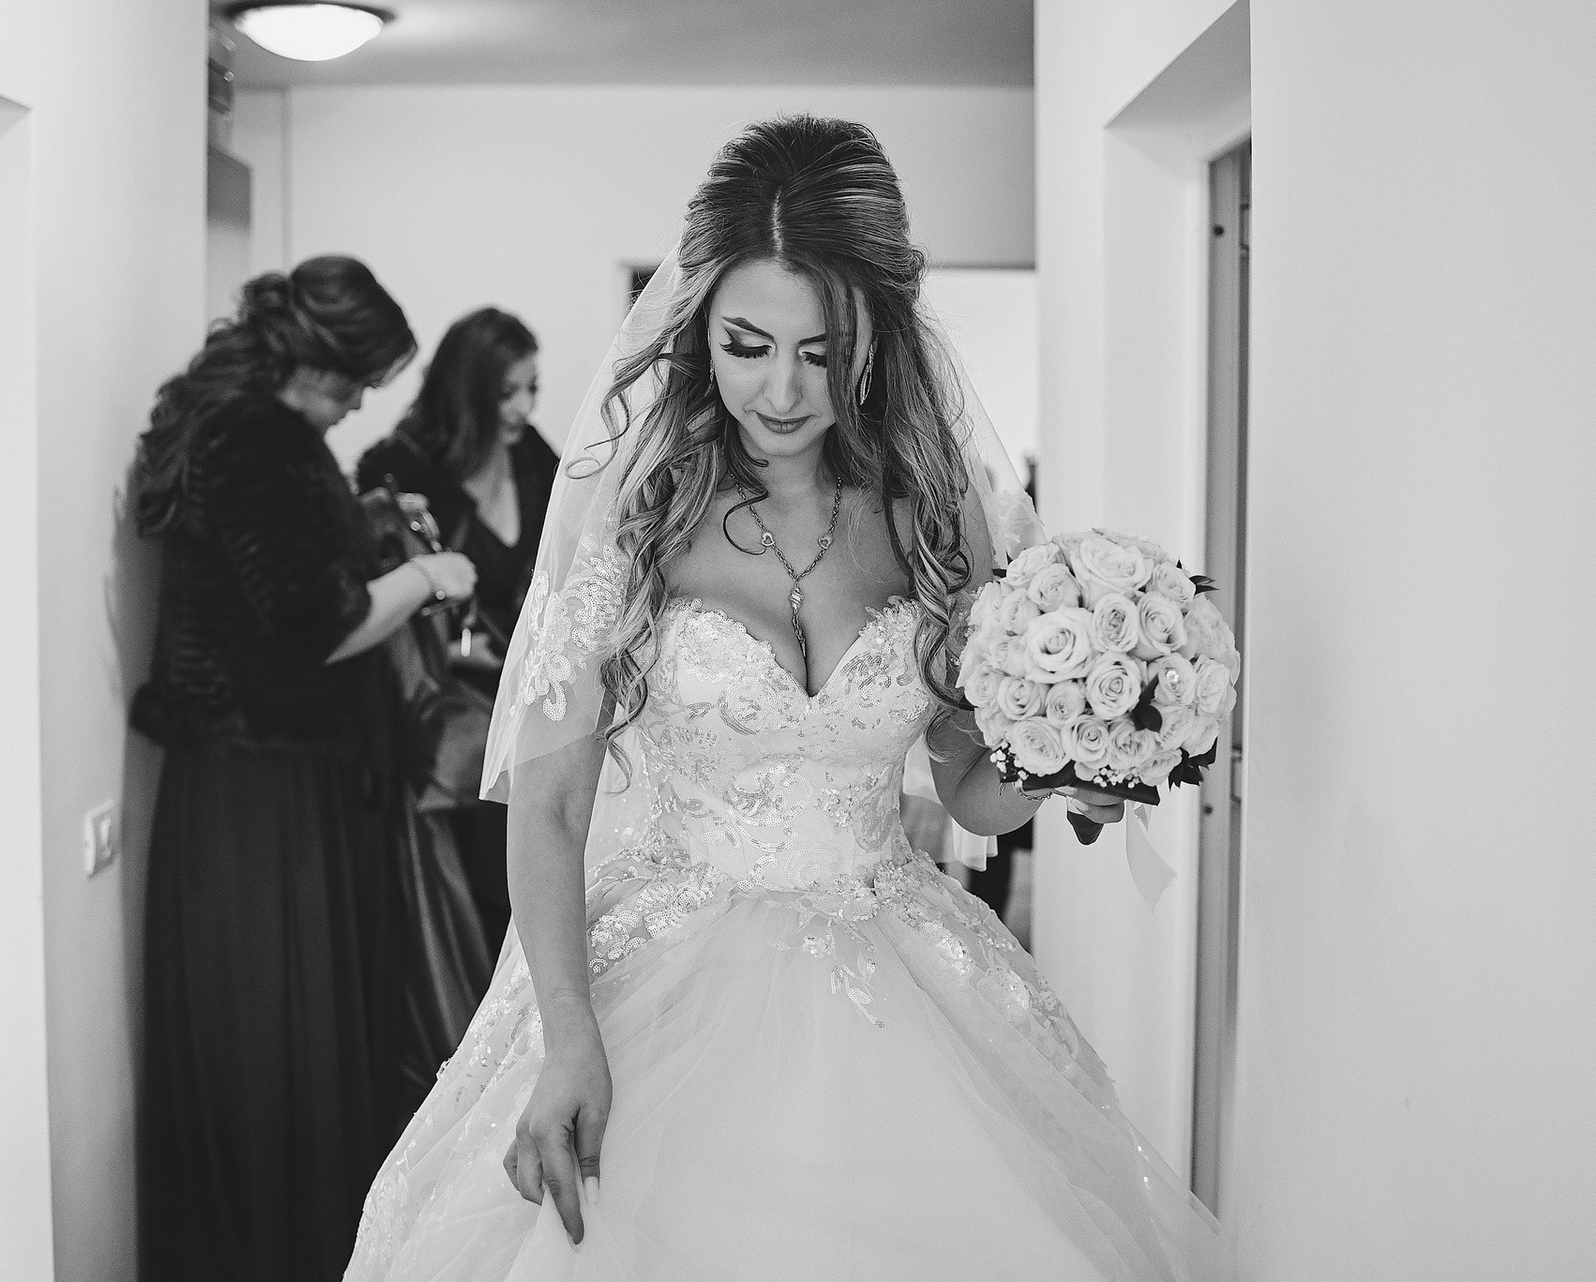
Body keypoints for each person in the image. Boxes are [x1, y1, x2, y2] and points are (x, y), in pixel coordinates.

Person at [345, 119, 1230, 1279]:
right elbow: (550, 806)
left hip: (899, 978)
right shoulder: (641, 520)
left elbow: (970, 789)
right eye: (747, 344)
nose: (781, 388)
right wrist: (568, 1036)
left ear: (876, 337)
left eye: (822, 351)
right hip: (667, 981)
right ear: (697, 327)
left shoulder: (934, 520)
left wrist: (1064, 762)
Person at [130, 256, 477, 1282]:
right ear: (317, 360)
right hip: (262, 792)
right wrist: (424, 575)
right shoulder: (254, 441)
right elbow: (312, 624)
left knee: (294, 1044)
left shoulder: (259, 432)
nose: (364, 401)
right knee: (278, 1047)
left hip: (271, 780)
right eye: (357, 379)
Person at [356, 307, 559, 963]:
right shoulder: (400, 468)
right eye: (506, 392)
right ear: (466, 390)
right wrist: (463, 650)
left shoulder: (533, 457)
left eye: (532, 389)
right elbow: (380, 616)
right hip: (444, 709)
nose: (523, 408)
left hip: (524, 699)